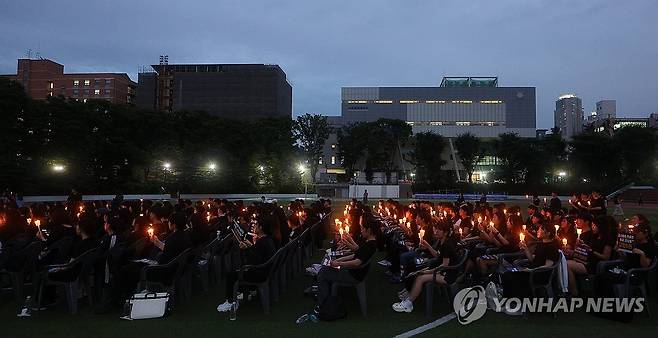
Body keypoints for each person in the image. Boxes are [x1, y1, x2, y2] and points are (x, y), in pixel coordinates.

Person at [296, 217, 378, 322]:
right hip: (352, 272)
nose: (361, 230)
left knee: (323, 273)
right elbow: (356, 254)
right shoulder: (368, 243)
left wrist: (339, 263)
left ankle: (321, 305)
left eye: (362, 228)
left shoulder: (370, 245)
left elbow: (357, 262)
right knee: (325, 270)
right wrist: (340, 260)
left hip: (353, 275)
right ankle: (324, 295)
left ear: (369, 230)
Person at [392, 222, 457, 313]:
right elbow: (437, 256)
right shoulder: (442, 242)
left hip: (448, 275)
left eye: (439, 230)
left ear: (445, 233)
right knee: (416, 273)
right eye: (436, 229)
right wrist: (427, 246)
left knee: (420, 277)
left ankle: (408, 304)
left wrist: (428, 272)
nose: (436, 231)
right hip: (441, 271)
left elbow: (444, 266)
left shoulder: (447, 245)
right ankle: (410, 295)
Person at [217, 215, 277, 313]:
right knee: (235, 272)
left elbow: (253, 260)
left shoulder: (262, 242)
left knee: (231, 275)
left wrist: (245, 249)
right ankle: (241, 293)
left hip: (259, 273)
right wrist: (250, 246)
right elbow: (258, 254)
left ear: (261, 227)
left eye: (256, 225)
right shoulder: (267, 239)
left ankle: (231, 301)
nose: (254, 227)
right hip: (264, 270)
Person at [566, 215, 614, 296]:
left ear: (601, 226)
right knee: (564, 262)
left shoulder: (607, 239)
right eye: (592, 225)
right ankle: (570, 288)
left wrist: (592, 251)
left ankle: (574, 292)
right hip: (586, 260)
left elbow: (605, 257)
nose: (593, 227)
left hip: (594, 265)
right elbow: (588, 249)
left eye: (594, 226)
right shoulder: (594, 236)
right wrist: (582, 245)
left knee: (567, 265)